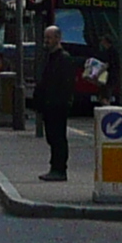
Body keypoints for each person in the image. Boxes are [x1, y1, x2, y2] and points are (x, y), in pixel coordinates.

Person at [31, 19, 75, 182]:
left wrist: (59, 102)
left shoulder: (63, 59)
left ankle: (59, 169)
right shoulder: (50, 57)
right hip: (49, 106)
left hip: (57, 106)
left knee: (58, 138)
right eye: (45, 38)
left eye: (49, 38)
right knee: (52, 137)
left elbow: (65, 84)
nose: (46, 41)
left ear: (57, 38)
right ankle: (55, 167)